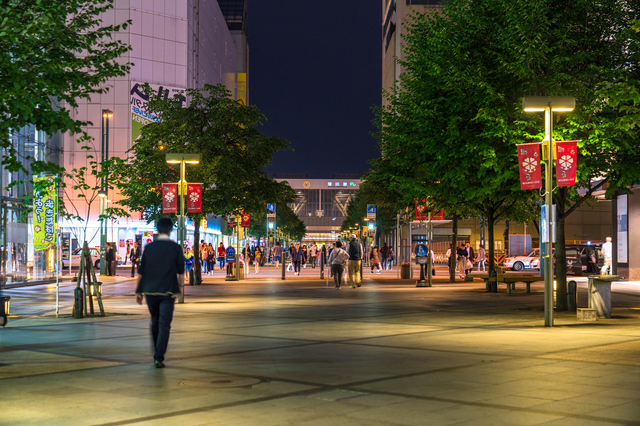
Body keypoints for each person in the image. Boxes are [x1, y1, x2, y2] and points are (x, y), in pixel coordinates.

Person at [135, 217, 184, 369]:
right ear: (170, 230)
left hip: (150, 290)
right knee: (165, 324)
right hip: (168, 291)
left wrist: (138, 291)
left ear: (157, 229)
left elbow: (142, 271)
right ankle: (159, 356)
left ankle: (156, 352)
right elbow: (181, 271)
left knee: (155, 320)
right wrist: (180, 289)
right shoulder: (175, 248)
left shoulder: (149, 248)